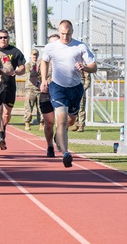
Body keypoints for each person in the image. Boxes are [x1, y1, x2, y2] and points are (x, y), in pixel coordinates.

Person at [40, 20, 96, 168]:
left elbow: (93, 66)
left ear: (72, 32)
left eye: (68, 34)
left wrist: (84, 67)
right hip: (58, 88)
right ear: (59, 32)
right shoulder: (51, 47)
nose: (65, 37)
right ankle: (65, 153)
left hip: (75, 88)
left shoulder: (80, 46)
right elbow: (44, 61)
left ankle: (60, 138)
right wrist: (44, 79)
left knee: (70, 122)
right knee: (61, 121)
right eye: (63, 34)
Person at [0, 30, 26, 149]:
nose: (3, 39)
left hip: (10, 87)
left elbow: (22, 67)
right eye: (0, 37)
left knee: (7, 113)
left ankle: (3, 128)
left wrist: (17, 71)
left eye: (5, 37)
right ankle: (1, 136)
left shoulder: (15, 52)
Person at [38, 34, 60, 157]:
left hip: (61, 92)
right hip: (46, 93)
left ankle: (60, 134)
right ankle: (50, 146)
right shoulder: (43, 61)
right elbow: (32, 76)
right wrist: (41, 83)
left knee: (62, 121)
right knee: (49, 123)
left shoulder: (65, 58)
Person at [23, 49, 42, 130]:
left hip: (39, 89)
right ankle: (27, 123)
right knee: (28, 107)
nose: (35, 56)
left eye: (36, 55)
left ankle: (41, 123)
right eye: (33, 55)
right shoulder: (28, 65)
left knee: (40, 107)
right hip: (30, 88)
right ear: (31, 55)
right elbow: (30, 75)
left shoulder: (41, 65)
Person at [70, 67, 92, 132]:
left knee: (81, 108)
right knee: (73, 107)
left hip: (80, 88)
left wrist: (84, 88)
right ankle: (75, 124)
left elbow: (88, 79)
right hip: (72, 88)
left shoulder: (82, 66)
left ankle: (81, 125)